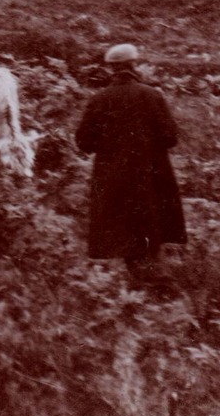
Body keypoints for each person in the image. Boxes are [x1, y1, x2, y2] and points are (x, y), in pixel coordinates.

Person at [75, 43, 187, 265]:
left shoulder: (98, 100)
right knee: (152, 225)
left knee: (121, 229)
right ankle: (153, 275)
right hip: (151, 173)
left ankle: (130, 276)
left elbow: (84, 142)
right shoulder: (153, 96)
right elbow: (170, 137)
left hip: (113, 177)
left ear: (110, 69)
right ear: (134, 66)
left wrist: (110, 148)